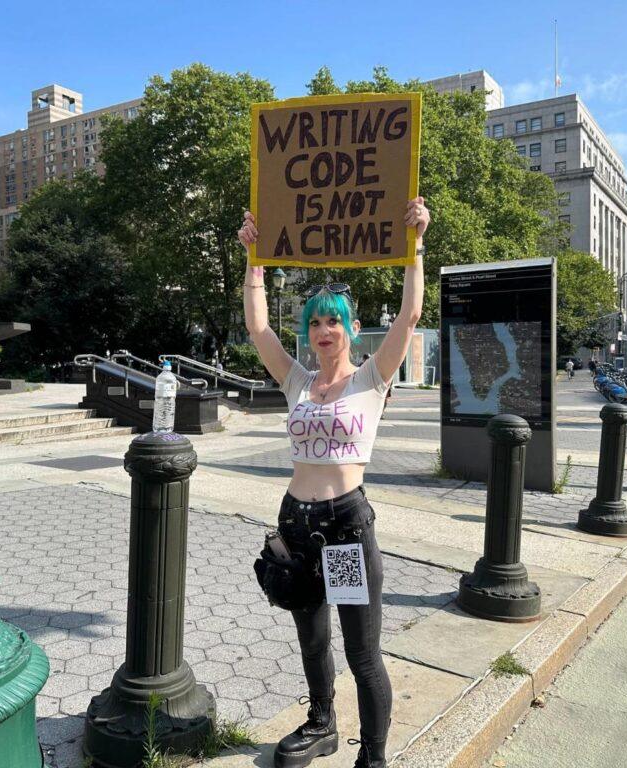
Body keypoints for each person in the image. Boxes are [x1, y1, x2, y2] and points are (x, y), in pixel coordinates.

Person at [238, 198, 429, 768]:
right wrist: (253, 260)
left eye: (334, 321)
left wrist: (415, 246)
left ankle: (373, 757)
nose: (324, 330)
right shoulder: (297, 382)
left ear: (352, 328)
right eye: (316, 322)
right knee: (312, 638)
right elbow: (257, 327)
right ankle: (322, 723)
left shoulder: (371, 379)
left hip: (343, 530)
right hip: (295, 527)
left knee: (361, 653)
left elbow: (409, 317)